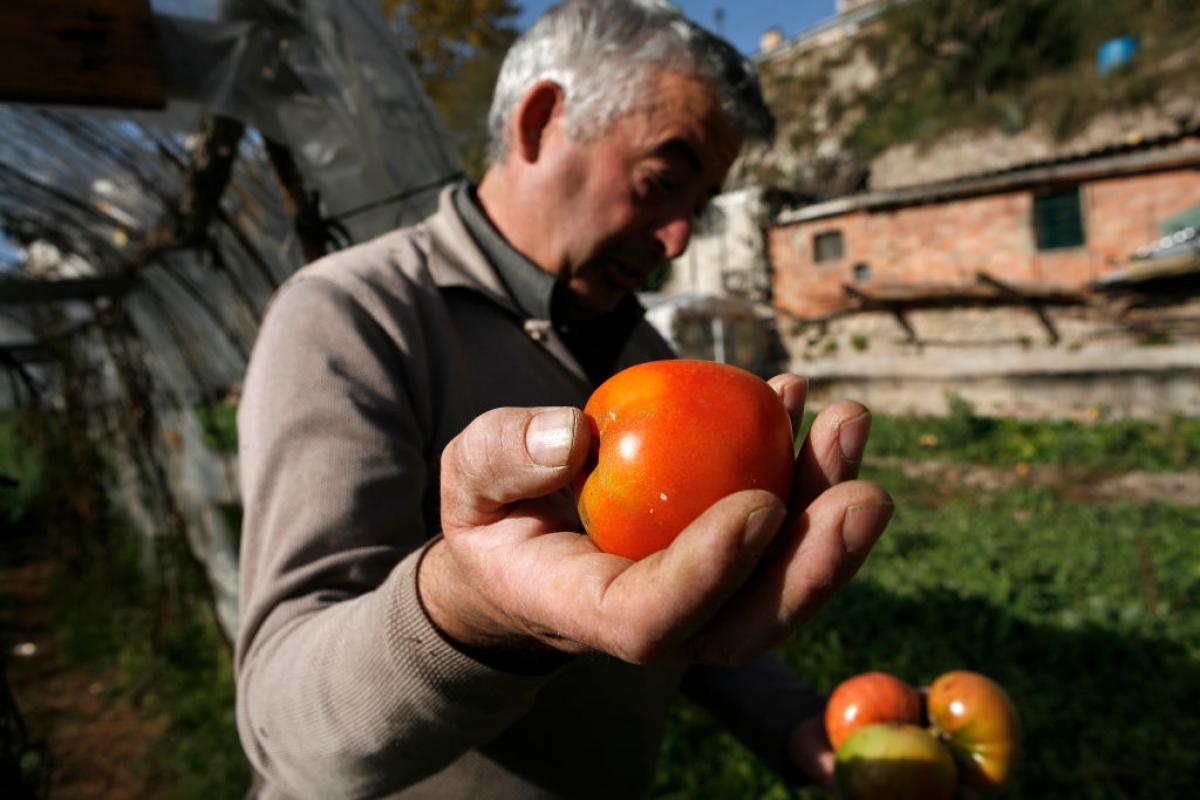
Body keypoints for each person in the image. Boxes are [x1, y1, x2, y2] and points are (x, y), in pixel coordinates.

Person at [234, 1, 894, 797]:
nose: (679, 238)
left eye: (699, 205)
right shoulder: (350, 317)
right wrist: (470, 610)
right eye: (662, 181)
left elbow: (674, 597)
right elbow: (284, 727)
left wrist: (799, 731)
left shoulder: (645, 357)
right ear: (542, 121)